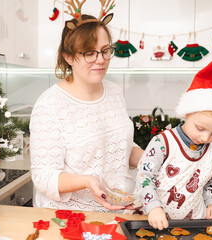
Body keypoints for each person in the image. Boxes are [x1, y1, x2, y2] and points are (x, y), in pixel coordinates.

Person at [30, 12, 143, 212]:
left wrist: (150, 158)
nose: (101, 60)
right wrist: (86, 181)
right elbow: (43, 176)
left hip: (117, 211)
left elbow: (120, 146)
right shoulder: (50, 105)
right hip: (69, 218)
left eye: (105, 50)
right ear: (68, 56)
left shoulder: (114, 92)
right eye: (89, 53)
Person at [136, 54, 212, 230]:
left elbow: (211, 180)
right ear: (188, 113)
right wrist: (153, 207)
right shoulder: (163, 142)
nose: (205, 138)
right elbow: (144, 176)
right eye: (200, 128)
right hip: (150, 221)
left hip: (192, 225)